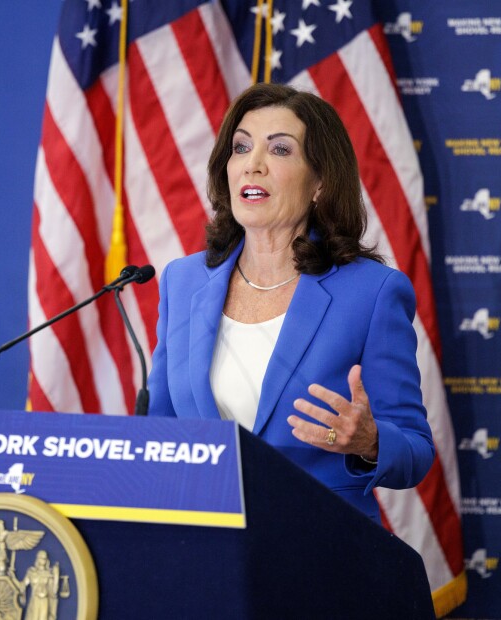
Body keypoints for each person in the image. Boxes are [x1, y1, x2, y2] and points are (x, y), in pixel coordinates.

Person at [147, 83, 434, 523]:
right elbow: (163, 427)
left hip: (321, 546)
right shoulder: (183, 282)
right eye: (240, 148)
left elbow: (415, 449)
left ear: (319, 182)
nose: (252, 165)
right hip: (208, 541)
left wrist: (370, 442)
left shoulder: (372, 293)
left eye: (279, 151)